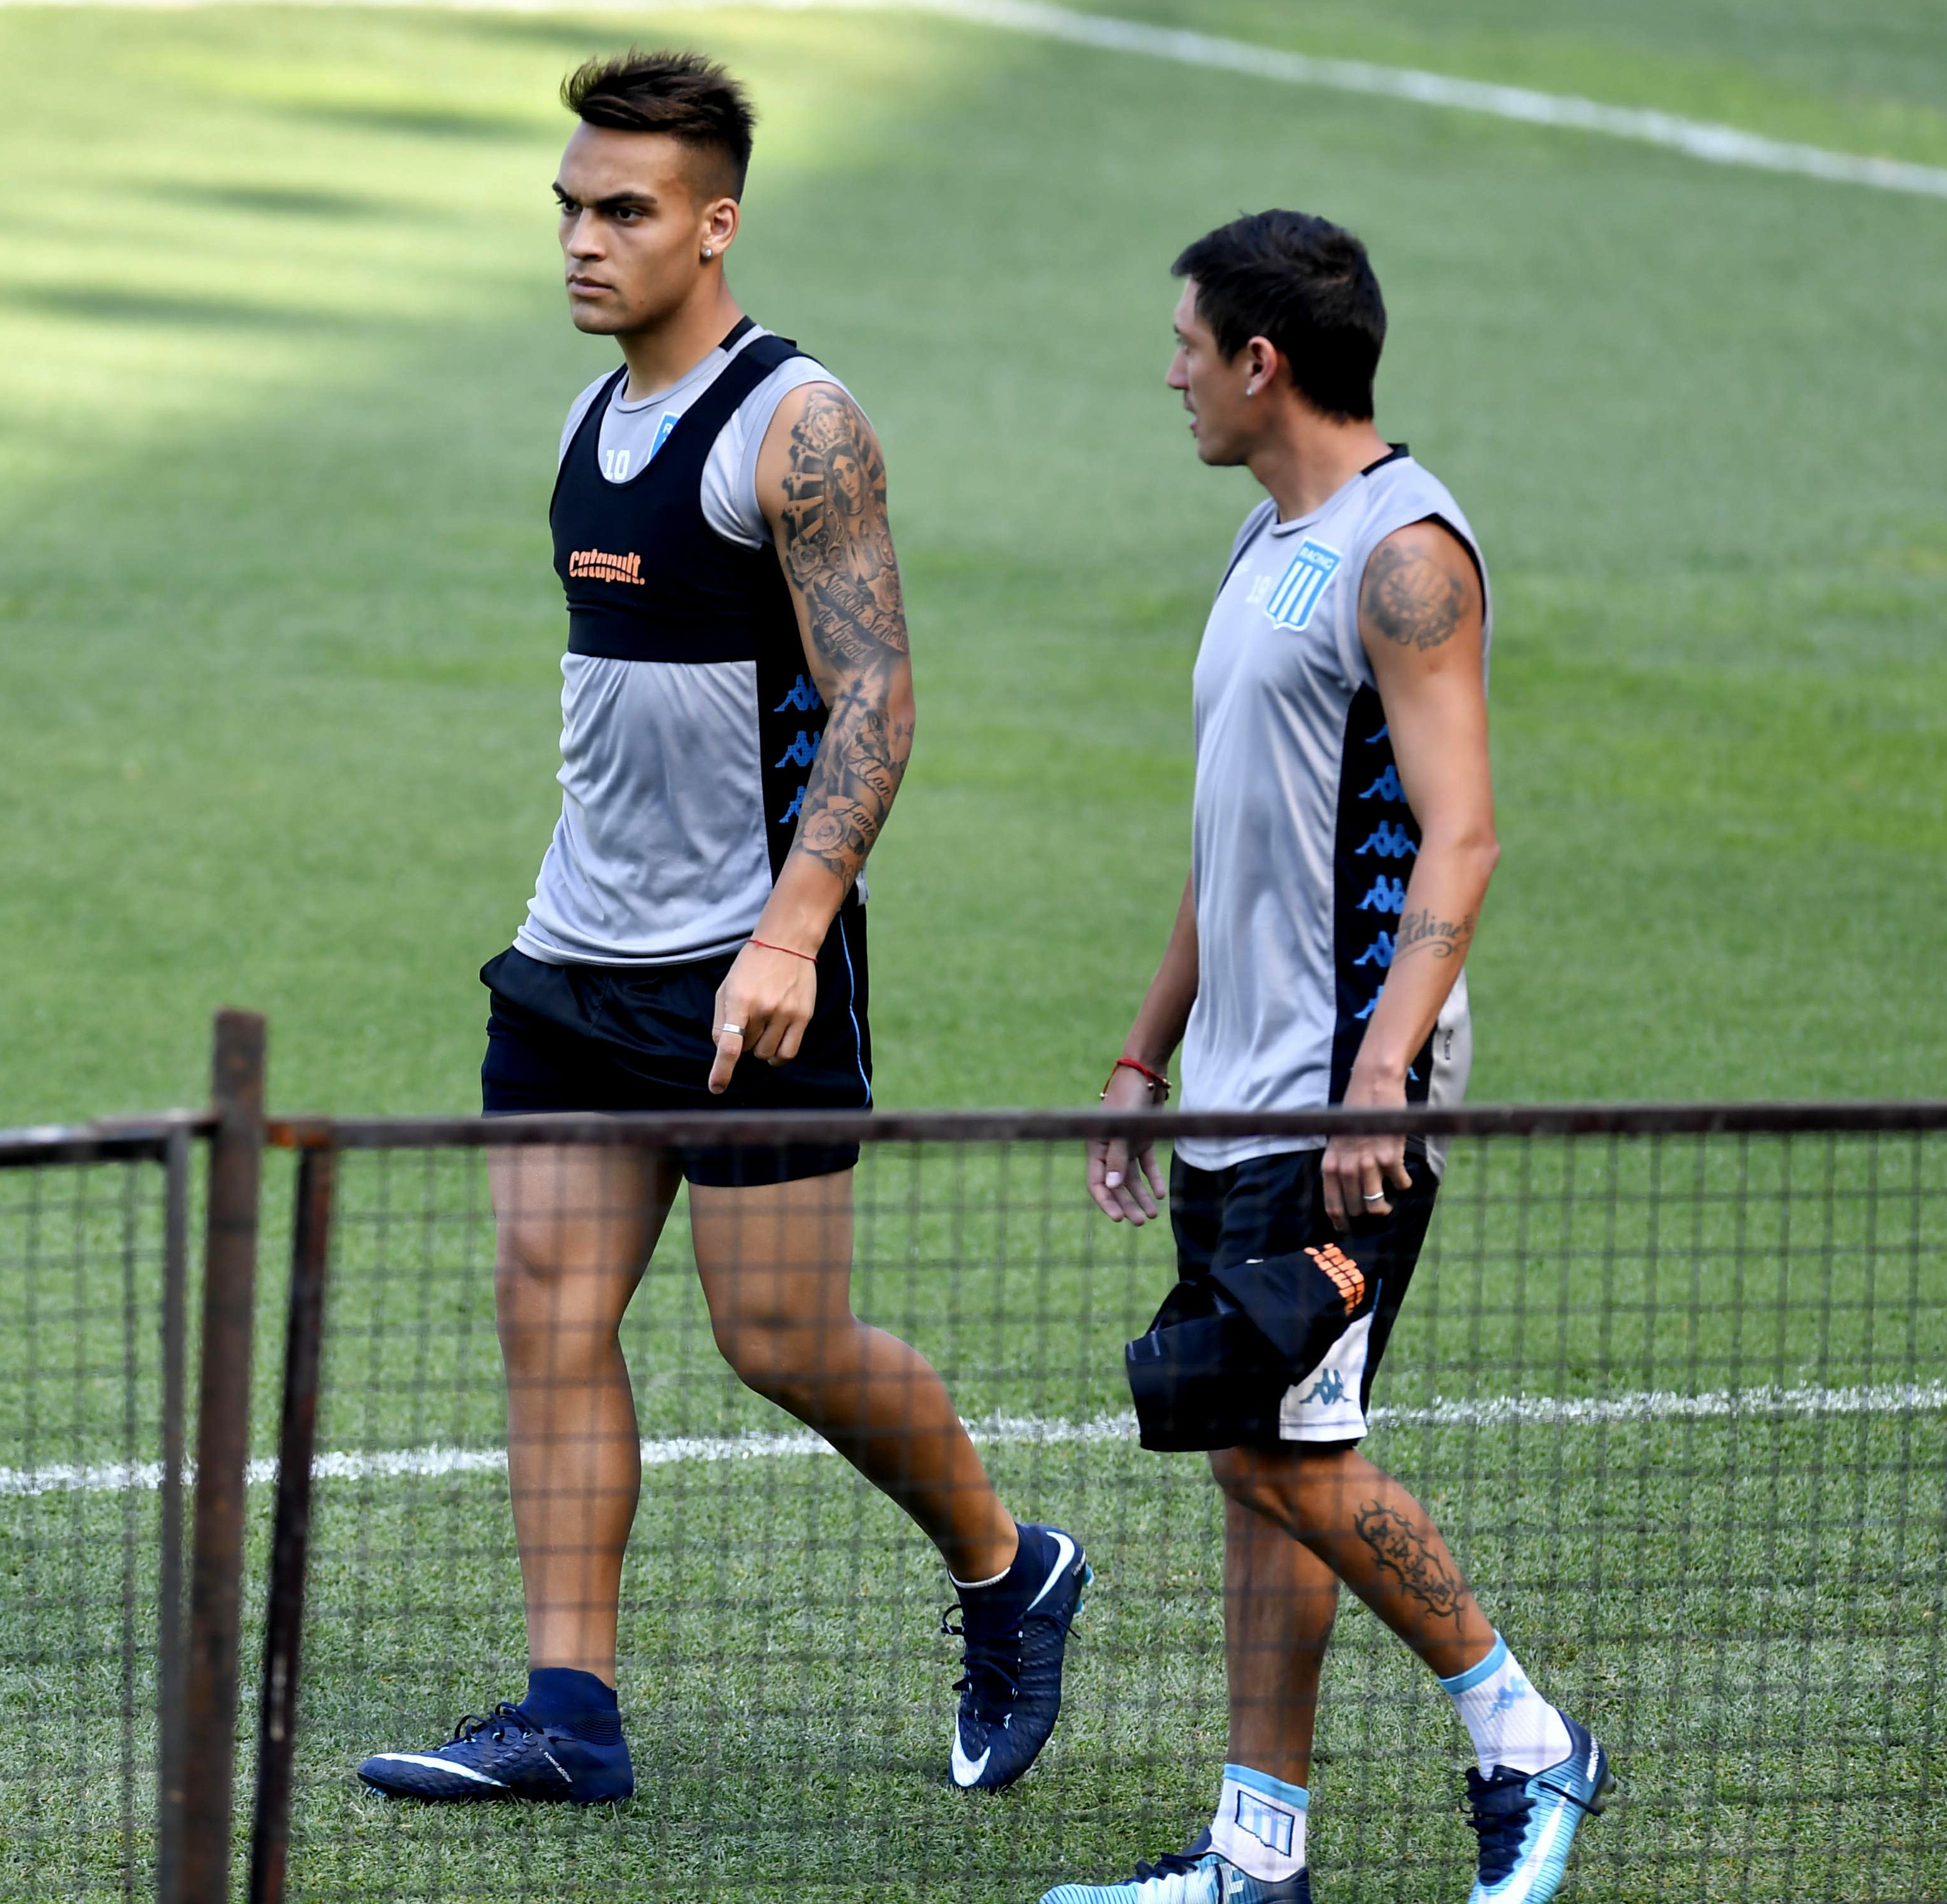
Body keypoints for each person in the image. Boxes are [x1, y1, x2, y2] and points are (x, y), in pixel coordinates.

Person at [355, 48, 1085, 1807]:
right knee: (546, 1307)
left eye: (624, 211)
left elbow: (877, 699)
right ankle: (571, 1713)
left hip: (749, 968)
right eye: (569, 207)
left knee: (779, 1340)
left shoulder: (797, 425)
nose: (581, 240)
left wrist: (789, 932)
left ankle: (1010, 1567)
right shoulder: (584, 422)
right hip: (571, 959)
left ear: (716, 224)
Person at [1046, 214, 1611, 1904]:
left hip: (1342, 1099)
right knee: (1267, 1461)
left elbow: (1463, 834)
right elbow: (1235, 841)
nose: (1172, 374)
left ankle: (1524, 1735)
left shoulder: (1404, 553)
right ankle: (1257, 1848)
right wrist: (1145, 1056)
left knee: (1268, 1447)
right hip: (1239, 1089)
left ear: (1261, 360)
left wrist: (1382, 1080)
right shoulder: (1265, 539)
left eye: (1188, 345)